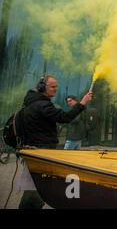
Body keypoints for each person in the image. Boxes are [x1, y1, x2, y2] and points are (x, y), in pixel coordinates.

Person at [17, 75, 92, 209]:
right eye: (53, 87)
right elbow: (64, 117)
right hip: (41, 154)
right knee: (35, 193)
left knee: (35, 191)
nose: (56, 89)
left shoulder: (30, 103)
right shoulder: (42, 105)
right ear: (42, 88)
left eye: (56, 86)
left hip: (33, 152)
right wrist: (82, 103)